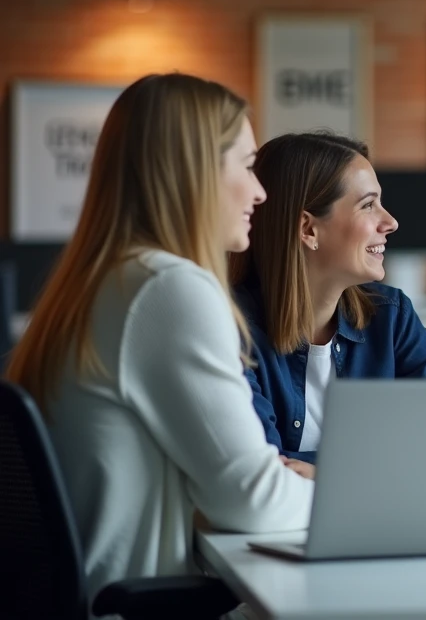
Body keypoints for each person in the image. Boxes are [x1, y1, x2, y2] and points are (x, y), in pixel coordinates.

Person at [4, 74, 313, 601]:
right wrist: (355, 498)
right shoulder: (168, 288)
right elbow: (252, 500)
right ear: (193, 171)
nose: (261, 191)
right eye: (246, 165)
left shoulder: (96, 282)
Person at [231, 131, 426, 471]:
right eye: (368, 205)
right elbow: (260, 472)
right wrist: (388, 470)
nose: (390, 222)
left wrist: (325, 474)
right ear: (308, 229)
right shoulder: (231, 327)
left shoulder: (392, 317)